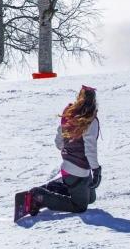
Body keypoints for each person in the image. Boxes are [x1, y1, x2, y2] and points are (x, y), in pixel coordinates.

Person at [26, 86, 101, 216]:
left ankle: (55, 187)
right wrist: (96, 170)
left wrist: (69, 148)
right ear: (94, 101)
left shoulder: (69, 114)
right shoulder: (90, 121)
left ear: (79, 98)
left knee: (91, 199)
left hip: (69, 168)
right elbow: (90, 150)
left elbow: (59, 143)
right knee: (79, 206)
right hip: (78, 171)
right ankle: (39, 196)